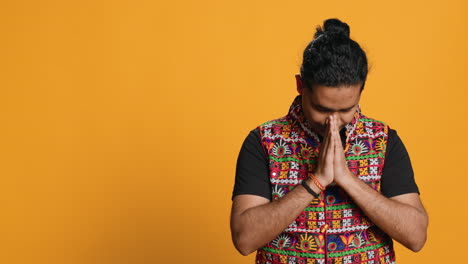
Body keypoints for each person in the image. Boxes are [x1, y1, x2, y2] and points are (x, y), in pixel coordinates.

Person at [230, 18, 428, 264]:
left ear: (360, 91)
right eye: (322, 109)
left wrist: (346, 179)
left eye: (346, 109)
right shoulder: (263, 142)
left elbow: (416, 236)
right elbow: (244, 239)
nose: (333, 120)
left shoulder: (383, 140)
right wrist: (316, 181)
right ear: (300, 85)